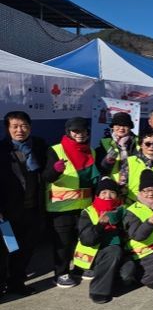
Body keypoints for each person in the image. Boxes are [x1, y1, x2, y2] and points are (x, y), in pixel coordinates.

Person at [43, 117, 99, 288]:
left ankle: (80, 268)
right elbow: (46, 177)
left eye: (83, 131)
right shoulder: (55, 150)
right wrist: (56, 170)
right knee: (63, 243)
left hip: (84, 205)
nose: (80, 134)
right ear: (68, 132)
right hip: (62, 206)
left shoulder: (91, 151)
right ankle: (61, 273)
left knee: (84, 239)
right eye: (76, 131)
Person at [0, 111, 47, 296]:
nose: (20, 130)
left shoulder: (39, 146)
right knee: (6, 249)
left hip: (32, 210)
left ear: (30, 127)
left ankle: (16, 283)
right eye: (15, 126)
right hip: (7, 214)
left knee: (26, 249)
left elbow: (47, 172)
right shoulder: (2, 150)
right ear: (7, 128)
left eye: (24, 126)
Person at [73, 178, 125, 304]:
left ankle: (111, 280)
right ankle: (98, 291)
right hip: (94, 254)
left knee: (127, 274)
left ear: (117, 195)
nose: (108, 196)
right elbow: (87, 240)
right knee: (114, 251)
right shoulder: (88, 212)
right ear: (97, 195)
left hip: (119, 254)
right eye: (104, 192)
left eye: (112, 192)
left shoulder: (122, 210)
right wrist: (100, 225)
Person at [96, 112, 138, 182]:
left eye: (125, 125)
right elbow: (100, 168)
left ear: (130, 127)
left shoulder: (139, 142)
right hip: (110, 184)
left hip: (133, 183)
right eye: (118, 125)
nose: (121, 128)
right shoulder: (105, 142)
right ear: (113, 127)